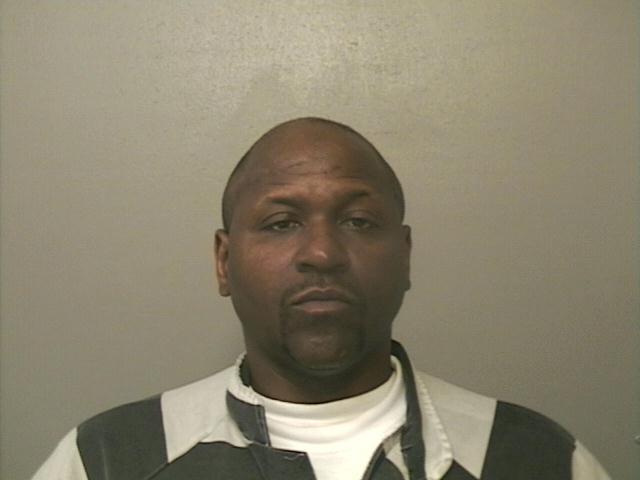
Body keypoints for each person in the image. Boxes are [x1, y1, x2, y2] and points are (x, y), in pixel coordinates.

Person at [33, 118, 611, 480]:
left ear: (405, 255)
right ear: (224, 261)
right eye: (281, 223)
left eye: (358, 221)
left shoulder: (535, 460)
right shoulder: (109, 459)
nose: (322, 253)